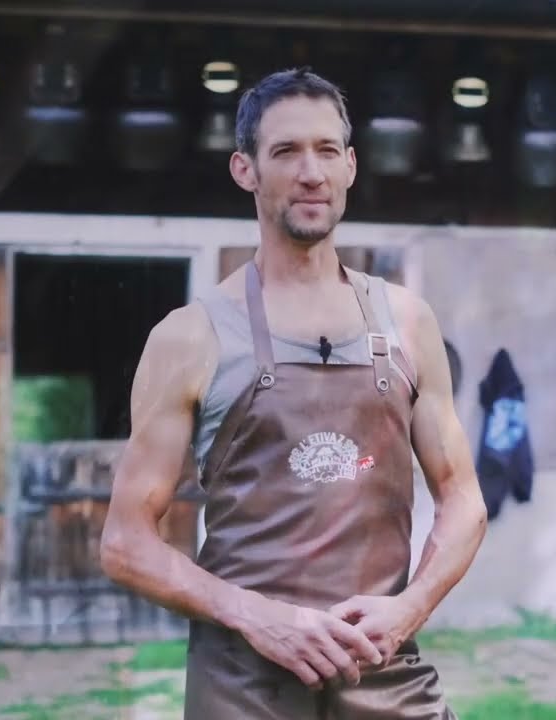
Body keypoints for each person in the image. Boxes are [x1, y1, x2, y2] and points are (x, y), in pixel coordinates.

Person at [99, 67, 488, 719]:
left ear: (351, 166)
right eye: (285, 152)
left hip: (386, 674)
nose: (311, 172)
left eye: (327, 150)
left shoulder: (408, 323)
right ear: (245, 170)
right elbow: (125, 543)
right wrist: (257, 617)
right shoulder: (190, 337)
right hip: (243, 688)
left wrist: (408, 609)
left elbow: (464, 499)